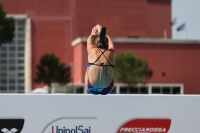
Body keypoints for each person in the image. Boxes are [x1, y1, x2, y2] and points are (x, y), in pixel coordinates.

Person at [84, 24, 115, 95]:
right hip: (107, 88)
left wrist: (92, 34)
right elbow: (110, 43)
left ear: (95, 43)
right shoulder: (112, 52)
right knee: (111, 68)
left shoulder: (91, 50)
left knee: (89, 67)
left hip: (91, 86)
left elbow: (89, 40)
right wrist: (105, 35)